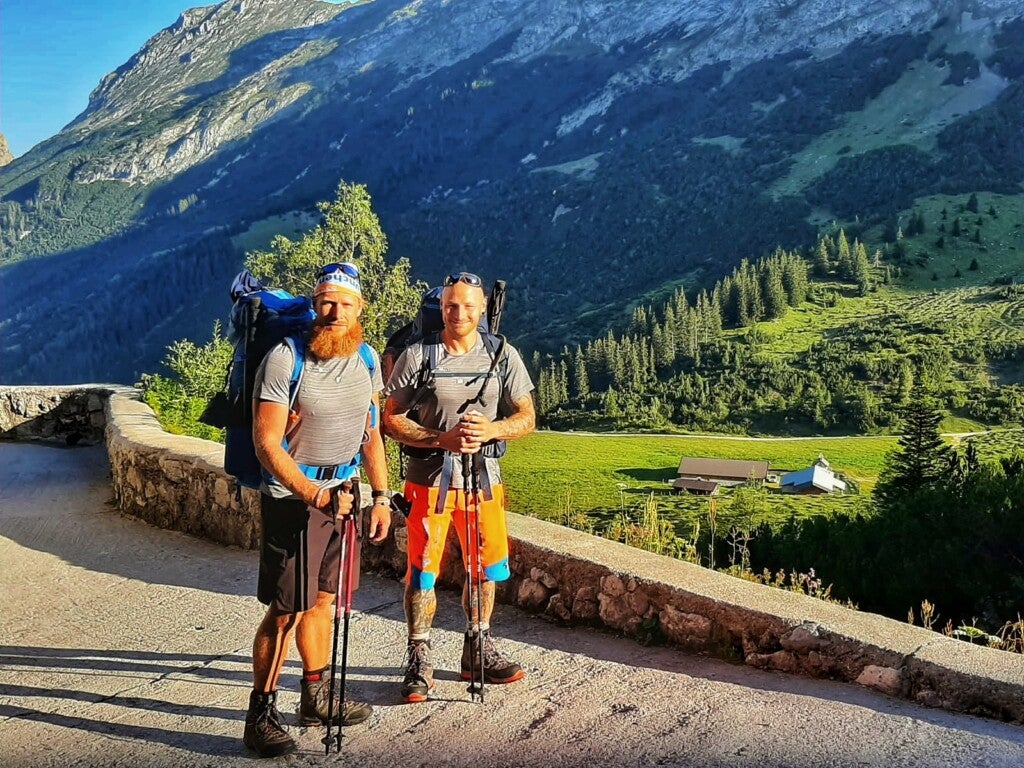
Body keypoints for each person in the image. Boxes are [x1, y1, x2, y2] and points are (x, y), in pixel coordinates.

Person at [244, 262, 392, 757]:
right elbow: (266, 443)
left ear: (359, 310)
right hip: (295, 501)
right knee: (286, 610)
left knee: (326, 599)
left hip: (344, 497)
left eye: (346, 304)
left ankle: (316, 696)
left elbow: (371, 434)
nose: (335, 312)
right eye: (327, 301)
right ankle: (260, 714)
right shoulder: (287, 359)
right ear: (314, 303)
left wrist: (381, 496)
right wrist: (314, 494)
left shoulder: (368, 359)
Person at [383, 271, 536, 703]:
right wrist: (440, 439)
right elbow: (391, 418)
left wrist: (490, 429)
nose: (459, 314)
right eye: (451, 305)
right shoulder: (419, 355)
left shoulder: (502, 353)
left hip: (484, 478)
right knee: (423, 570)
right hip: (428, 478)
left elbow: (527, 417)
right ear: (442, 308)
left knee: (485, 567)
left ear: (482, 308)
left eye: (468, 306)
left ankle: (478, 647)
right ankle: (419, 655)